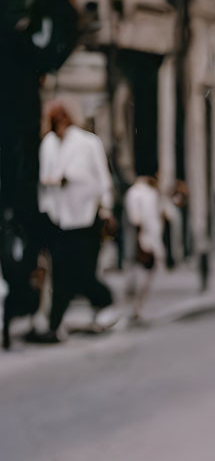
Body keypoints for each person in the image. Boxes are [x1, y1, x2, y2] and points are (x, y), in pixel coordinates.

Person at [31, 99, 116, 343]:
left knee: (82, 270)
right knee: (61, 272)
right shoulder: (47, 144)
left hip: (85, 215)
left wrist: (105, 207)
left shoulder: (88, 143)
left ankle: (103, 303)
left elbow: (101, 179)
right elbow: (44, 180)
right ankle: (55, 324)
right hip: (59, 217)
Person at [124, 175, 165, 322]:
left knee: (138, 272)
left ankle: (136, 307)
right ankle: (136, 307)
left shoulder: (133, 193)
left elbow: (135, 218)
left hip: (142, 236)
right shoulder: (150, 194)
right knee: (145, 273)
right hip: (148, 237)